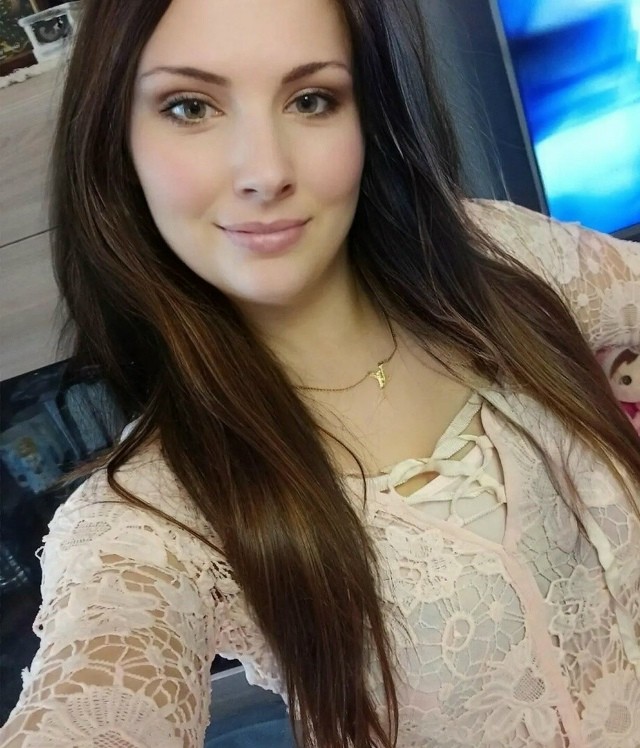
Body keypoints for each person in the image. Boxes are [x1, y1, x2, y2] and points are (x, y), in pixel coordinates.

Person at [1, 0, 639, 745]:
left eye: (311, 100)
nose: (266, 172)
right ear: (117, 140)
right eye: (190, 107)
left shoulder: (494, 257)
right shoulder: (152, 519)